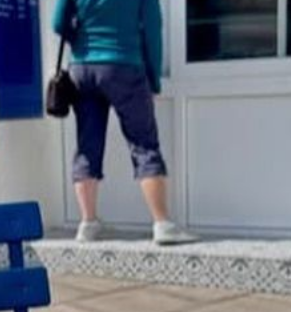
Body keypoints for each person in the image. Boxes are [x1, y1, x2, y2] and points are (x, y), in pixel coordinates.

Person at [52, 0, 196, 245]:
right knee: (144, 143)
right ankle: (162, 224)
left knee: (87, 145)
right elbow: (152, 30)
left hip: (82, 67)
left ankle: (87, 223)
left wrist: (82, 39)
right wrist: (154, 79)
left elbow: (58, 23)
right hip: (125, 64)